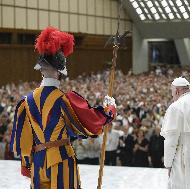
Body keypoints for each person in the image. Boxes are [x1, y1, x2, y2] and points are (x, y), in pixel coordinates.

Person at [10, 27, 116, 189]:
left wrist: (27, 164)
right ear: (60, 72)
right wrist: (109, 110)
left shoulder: (25, 101)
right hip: (61, 161)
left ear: (41, 71)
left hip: (38, 164)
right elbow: (92, 123)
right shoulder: (64, 99)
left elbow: (24, 138)